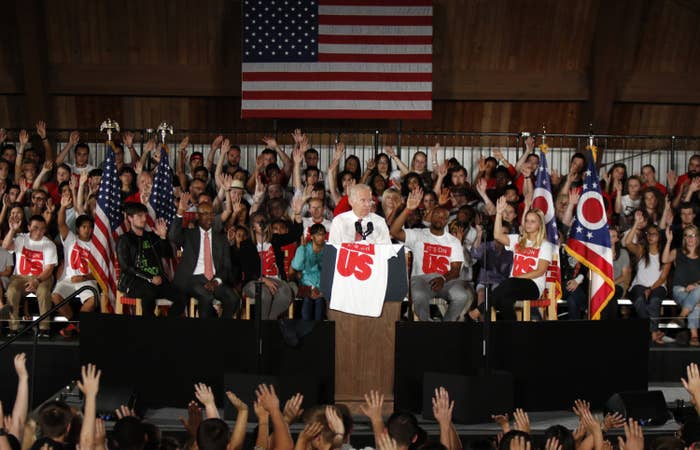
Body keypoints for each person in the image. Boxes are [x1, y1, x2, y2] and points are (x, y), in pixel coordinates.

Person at [391, 189, 471, 322]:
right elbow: (394, 231)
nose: (441, 219)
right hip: (421, 279)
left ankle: (447, 324)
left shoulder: (453, 241)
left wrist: (443, 279)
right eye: (438, 215)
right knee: (419, 295)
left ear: (447, 221)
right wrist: (408, 209)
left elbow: (456, 270)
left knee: (462, 296)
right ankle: (427, 325)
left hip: (446, 280)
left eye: (444, 217)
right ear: (431, 216)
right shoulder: (418, 234)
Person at [468, 197, 554, 321]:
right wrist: (498, 213)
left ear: (540, 224)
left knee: (508, 282)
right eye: (527, 220)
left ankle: (477, 311)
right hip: (513, 284)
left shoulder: (545, 245)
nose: (528, 224)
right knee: (504, 301)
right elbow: (497, 235)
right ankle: (513, 331)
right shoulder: (518, 239)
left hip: (533, 286)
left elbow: (540, 271)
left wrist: (517, 278)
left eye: (533, 221)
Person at [169, 195, 241, 319]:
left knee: (233, 298)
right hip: (192, 279)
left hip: (213, 279)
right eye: (205, 213)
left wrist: (216, 281)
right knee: (206, 296)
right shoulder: (189, 234)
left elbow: (226, 266)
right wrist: (180, 211)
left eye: (212, 213)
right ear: (197, 216)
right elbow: (173, 236)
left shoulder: (221, 239)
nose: (209, 216)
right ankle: (204, 334)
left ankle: (220, 332)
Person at [116, 202, 186, 317]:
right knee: (149, 293)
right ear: (130, 218)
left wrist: (163, 238)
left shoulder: (151, 236)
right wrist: (150, 278)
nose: (144, 219)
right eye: (139, 216)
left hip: (158, 280)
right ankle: (149, 331)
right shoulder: (124, 239)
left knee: (182, 296)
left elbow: (168, 254)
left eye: (145, 215)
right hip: (134, 282)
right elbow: (126, 266)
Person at [51, 192, 98, 338]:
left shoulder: (96, 245)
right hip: (68, 280)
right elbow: (61, 224)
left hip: (87, 279)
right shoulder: (71, 238)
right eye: (84, 227)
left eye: (90, 227)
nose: (87, 229)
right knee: (55, 296)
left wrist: (84, 278)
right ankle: (75, 323)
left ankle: (72, 328)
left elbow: (99, 271)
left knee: (92, 300)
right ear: (78, 229)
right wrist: (63, 207)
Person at [2, 215, 57, 338]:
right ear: (28, 227)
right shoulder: (21, 239)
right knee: (12, 291)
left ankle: (44, 328)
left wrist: (37, 281)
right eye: (35, 228)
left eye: (42, 229)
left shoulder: (49, 244)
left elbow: (49, 269)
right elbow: (5, 246)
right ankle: (13, 328)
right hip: (20, 277)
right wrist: (12, 230)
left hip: (42, 277)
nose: (39, 231)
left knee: (43, 291)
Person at [624, 211, 671, 344]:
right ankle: (653, 333)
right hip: (639, 286)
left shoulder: (664, 255)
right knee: (639, 300)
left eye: (654, 234)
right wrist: (636, 224)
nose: (650, 236)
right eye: (648, 233)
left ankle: (650, 334)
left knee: (654, 300)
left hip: (658, 286)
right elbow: (627, 242)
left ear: (659, 237)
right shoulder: (641, 250)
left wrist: (650, 289)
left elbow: (663, 278)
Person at [663, 225, 700, 346]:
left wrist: (695, 285)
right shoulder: (677, 252)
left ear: (697, 237)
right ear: (684, 238)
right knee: (696, 303)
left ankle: (681, 316)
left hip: (697, 291)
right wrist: (668, 241)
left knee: (697, 294)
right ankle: (694, 336)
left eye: (692, 235)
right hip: (680, 290)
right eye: (687, 235)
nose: (689, 238)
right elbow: (664, 259)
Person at [291, 223, 327, 321]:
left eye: (323, 234)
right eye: (318, 234)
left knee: (320, 302)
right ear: (311, 236)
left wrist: (320, 289)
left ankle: (318, 330)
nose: (321, 237)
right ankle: (306, 330)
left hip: (321, 287)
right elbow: (296, 266)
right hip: (305, 285)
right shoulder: (305, 249)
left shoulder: (328, 250)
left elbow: (329, 271)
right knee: (307, 300)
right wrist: (301, 248)